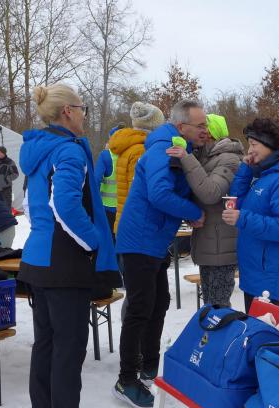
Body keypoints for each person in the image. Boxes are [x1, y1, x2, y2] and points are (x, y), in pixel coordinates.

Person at [18, 83, 120, 408]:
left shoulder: (37, 149)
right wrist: (93, 242)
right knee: (68, 346)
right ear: (68, 112)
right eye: (83, 108)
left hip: (38, 258)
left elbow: (29, 204)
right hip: (64, 261)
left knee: (46, 343)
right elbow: (65, 204)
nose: (84, 114)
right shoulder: (69, 150)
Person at [114, 99, 205, 408]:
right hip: (139, 240)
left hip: (153, 240)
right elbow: (159, 193)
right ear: (181, 127)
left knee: (159, 301)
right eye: (200, 125)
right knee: (140, 308)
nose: (205, 130)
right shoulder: (161, 149)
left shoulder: (179, 148)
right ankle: (126, 380)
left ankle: (149, 366)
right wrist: (193, 212)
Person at [222, 118, 279, 313]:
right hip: (255, 270)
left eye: (254, 144)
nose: (250, 150)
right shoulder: (265, 177)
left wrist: (242, 218)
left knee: (263, 328)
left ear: (270, 145)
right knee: (255, 326)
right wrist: (246, 169)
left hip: (268, 274)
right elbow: (239, 202)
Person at [172, 113, 243, 307]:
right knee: (210, 305)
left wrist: (186, 159)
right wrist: (191, 214)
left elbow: (211, 193)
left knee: (218, 307)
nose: (199, 134)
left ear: (211, 134)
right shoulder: (203, 158)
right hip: (208, 243)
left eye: (204, 129)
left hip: (222, 246)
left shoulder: (229, 159)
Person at [110, 102, 165, 232]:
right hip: (137, 226)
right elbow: (138, 193)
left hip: (127, 222)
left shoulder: (131, 146)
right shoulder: (141, 151)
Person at [95, 124, 124, 236]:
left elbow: (96, 180)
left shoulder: (106, 156)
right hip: (126, 208)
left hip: (107, 208)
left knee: (107, 239)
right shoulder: (132, 154)